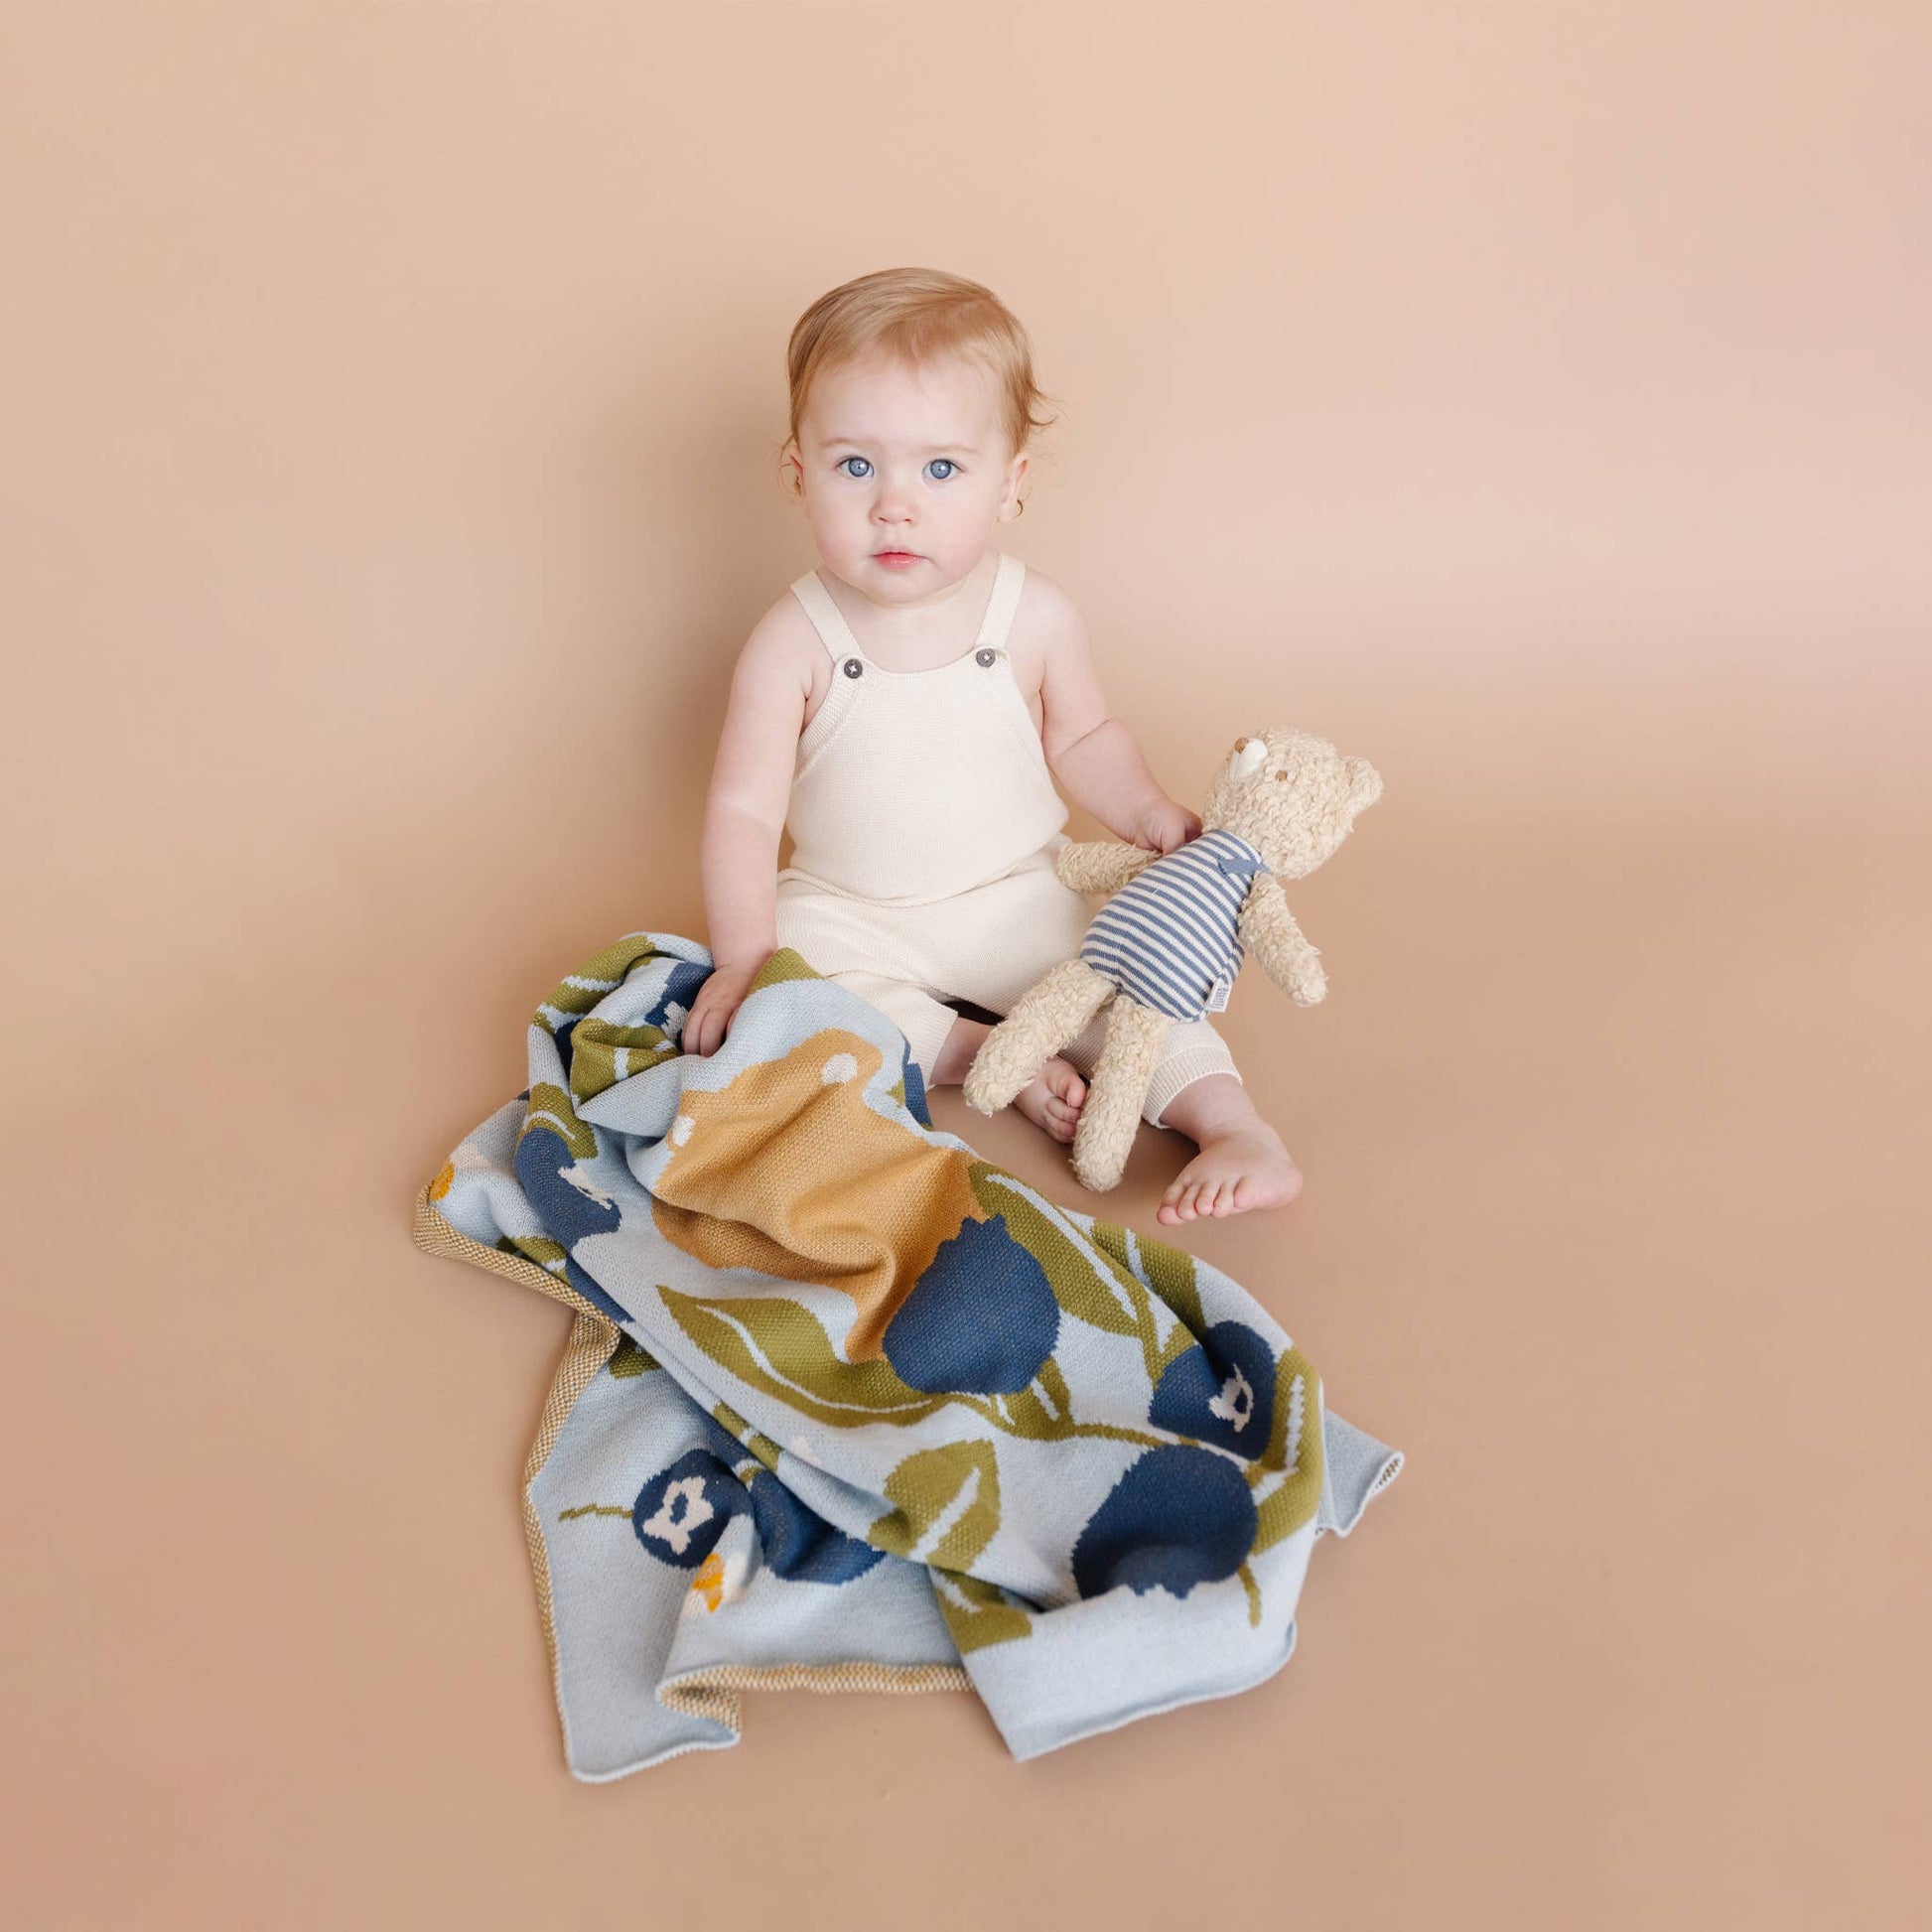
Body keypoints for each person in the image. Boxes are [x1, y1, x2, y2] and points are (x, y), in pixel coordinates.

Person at [685, 267, 1301, 1224]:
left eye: (940, 470)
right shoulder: (793, 639)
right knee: (798, 989)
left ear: (1010, 484)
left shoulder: (1033, 615)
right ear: (797, 472)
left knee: (1120, 985)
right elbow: (744, 810)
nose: (896, 505)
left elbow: (1086, 732)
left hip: (1015, 889)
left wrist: (1145, 812)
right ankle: (979, 1055)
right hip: (853, 907)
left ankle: (1233, 1127)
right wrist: (743, 954)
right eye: (856, 467)